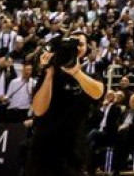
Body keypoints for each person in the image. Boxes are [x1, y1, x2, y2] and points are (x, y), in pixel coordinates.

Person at [26, 34, 105, 176]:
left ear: (86, 49)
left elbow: (98, 93)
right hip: (44, 148)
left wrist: (76, 72)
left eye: (79, 44)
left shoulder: (91, 77)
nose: (74, 47)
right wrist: (49, 72)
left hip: (73, 151)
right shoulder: (49, 74)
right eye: (69, 44)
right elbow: (38, 110)